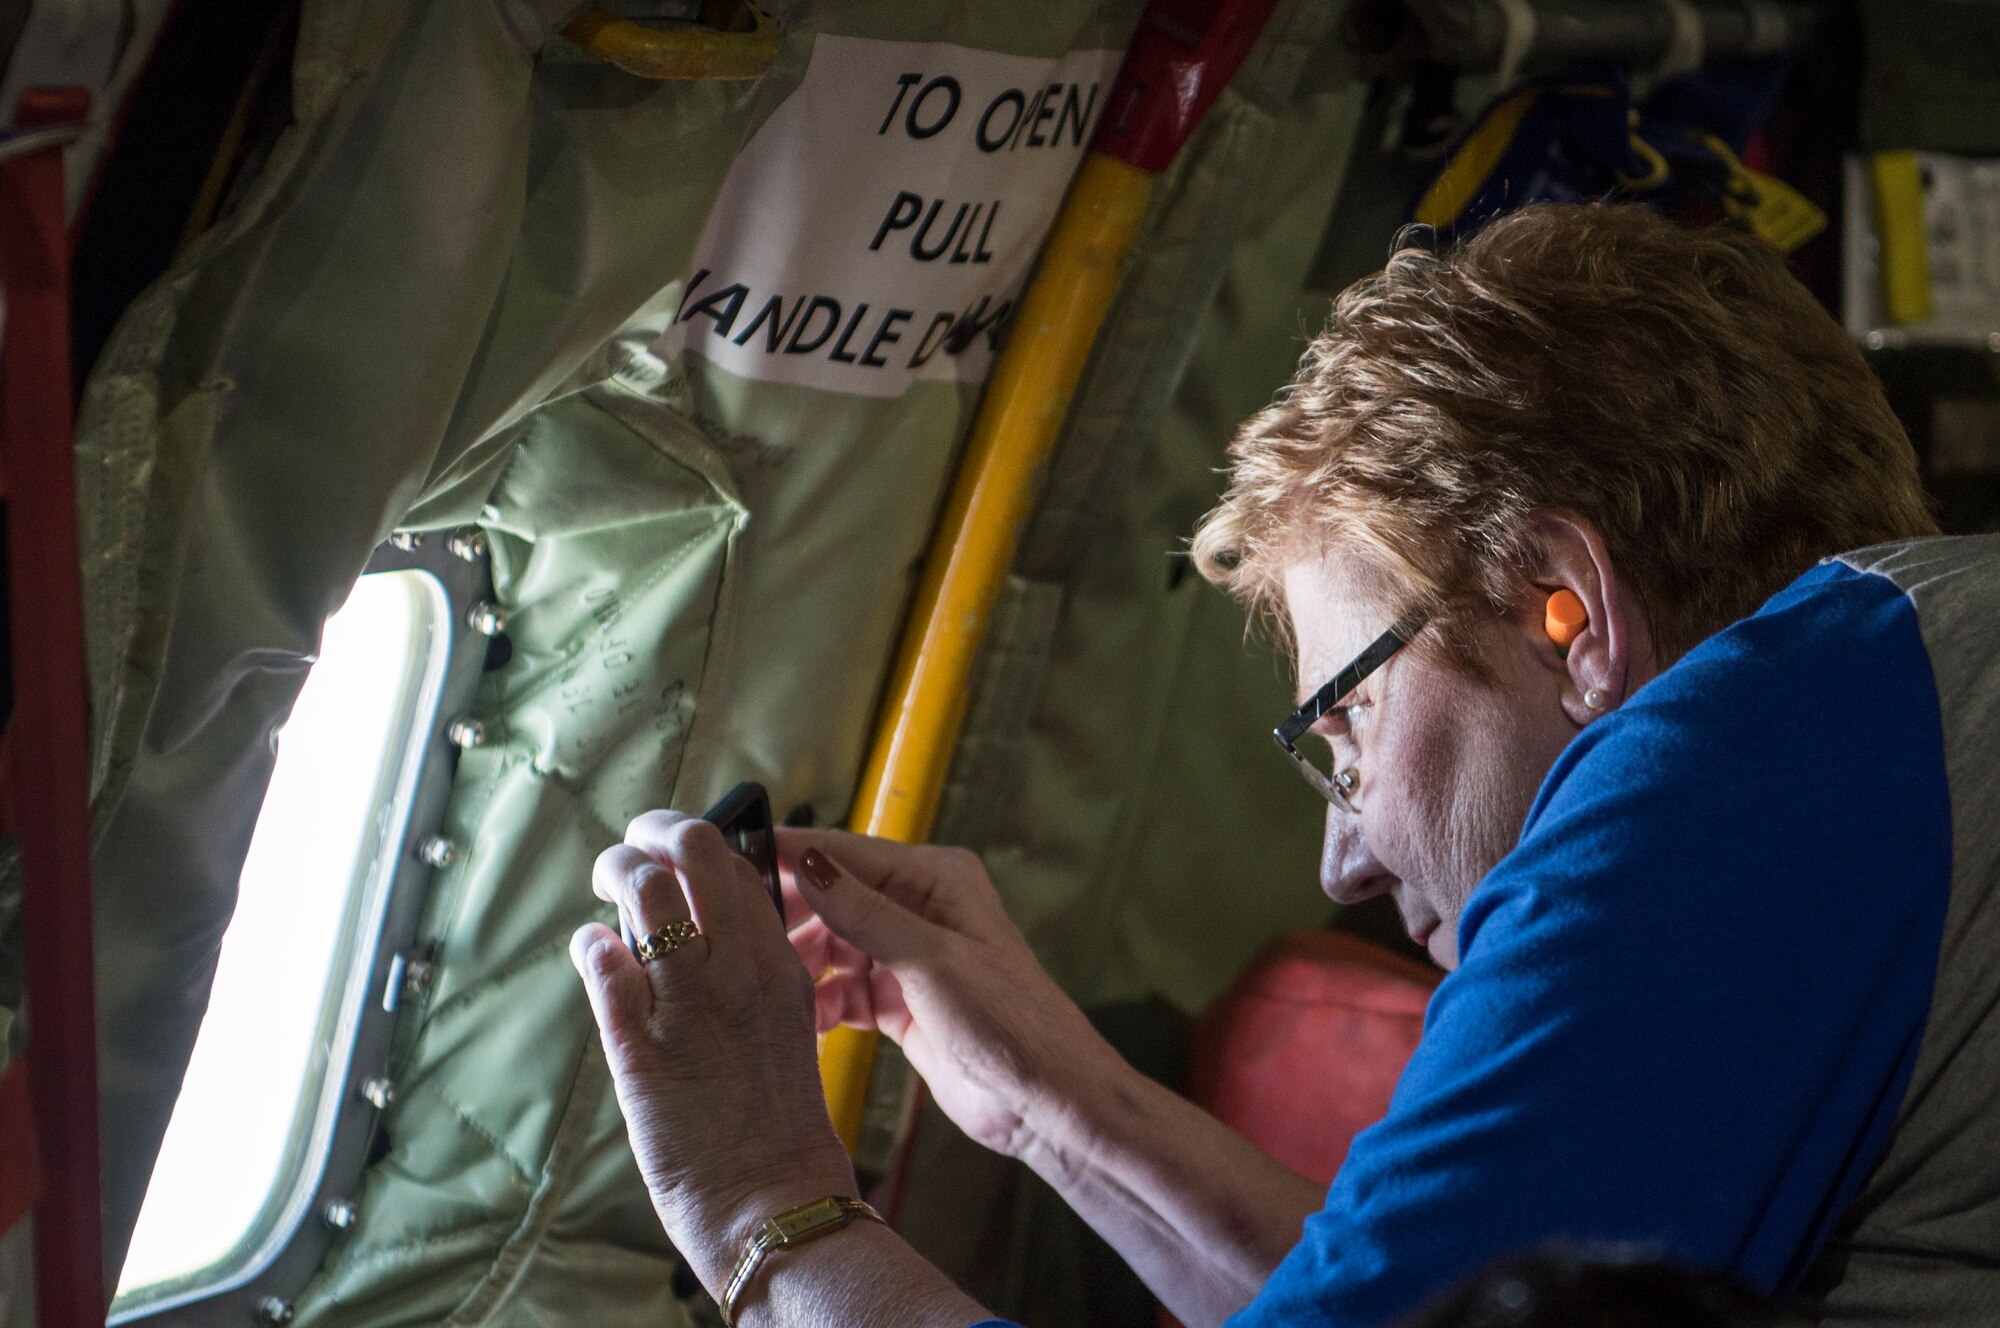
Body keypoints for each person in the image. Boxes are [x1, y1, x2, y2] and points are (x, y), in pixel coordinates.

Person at [568, 203, 2000, 1328]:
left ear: (1568, 612)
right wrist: (1058, 1103)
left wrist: (757, 1194)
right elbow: (1425, 1318)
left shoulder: (1753, 750)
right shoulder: (1892, 741)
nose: (1346, 858)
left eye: (1352, 726)